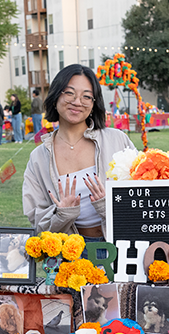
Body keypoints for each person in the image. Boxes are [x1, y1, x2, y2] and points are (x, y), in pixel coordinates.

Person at [22, 64, 136, 236]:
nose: (77, 102)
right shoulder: (39, 158)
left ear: (93, 103)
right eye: (69, 93)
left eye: (87, 97)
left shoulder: (117, 140)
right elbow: (38, 224)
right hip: (69, 255)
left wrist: (108, 207)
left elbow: (144, 199)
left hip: (119, 251)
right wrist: (62, 215)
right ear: (55, 97)